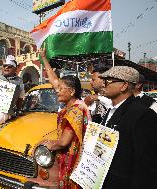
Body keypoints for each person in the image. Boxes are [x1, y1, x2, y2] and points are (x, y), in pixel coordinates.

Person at [39, 49, 91, 189]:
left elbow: (63, 142)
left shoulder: (76, 110)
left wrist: (46, 144)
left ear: (72, 91)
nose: (57, 90)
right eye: (58, 88)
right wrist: (44, 58)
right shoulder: (71, 104)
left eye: (61, 89)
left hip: (74, 163)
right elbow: (54, 80)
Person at [99, 66, 157, 189]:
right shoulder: (111, 110)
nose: (103, 85)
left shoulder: (142, 115)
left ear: (124, 86)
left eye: (108, 81)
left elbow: (146, 166)